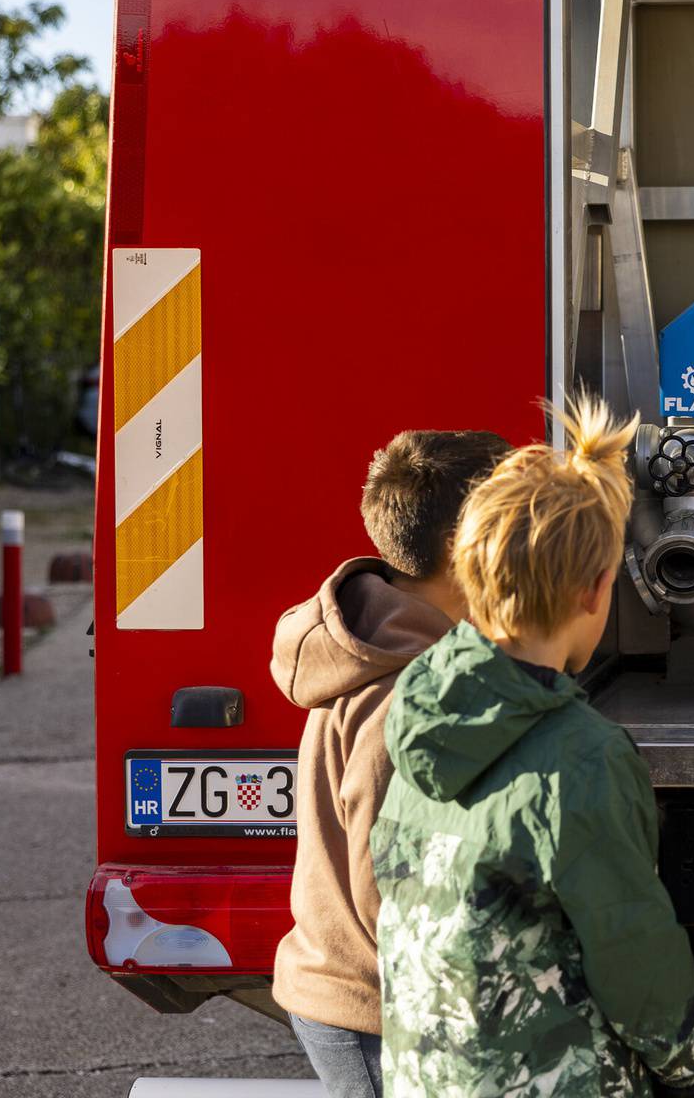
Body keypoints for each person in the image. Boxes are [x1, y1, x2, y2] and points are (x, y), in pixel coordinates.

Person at [371, 398, 694, 1098]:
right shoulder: (582, 755)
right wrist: (691, 1065)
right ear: (596, 591)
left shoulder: (417, 707)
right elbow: (633, 951)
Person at [272, 428, 512, 1098]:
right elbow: (399, 891)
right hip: (382, 1015)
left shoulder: (389, 643)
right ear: (467, 547)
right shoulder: (406, 694)